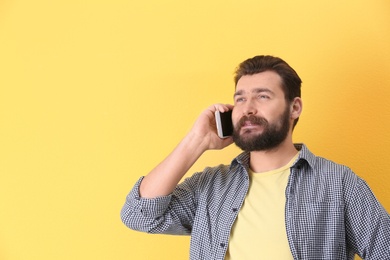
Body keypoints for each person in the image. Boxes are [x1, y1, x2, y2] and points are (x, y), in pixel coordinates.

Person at [120, 55, 390, 259]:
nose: (248, 109)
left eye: (262, 96)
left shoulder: (339, 183)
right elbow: (139, 215)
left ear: (294, 107)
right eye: (239, 99)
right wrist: (196, 141)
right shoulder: (211, 186)